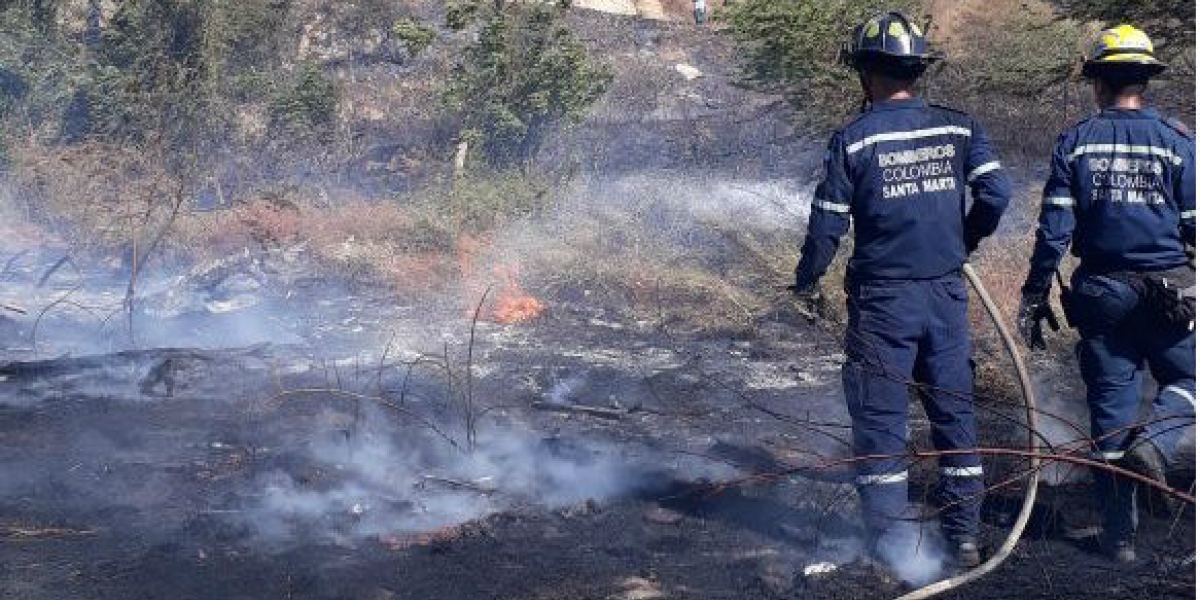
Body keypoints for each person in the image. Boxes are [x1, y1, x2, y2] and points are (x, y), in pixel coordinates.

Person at [792, 11, 1011, 568]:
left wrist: (807, 281)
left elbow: (826, 227)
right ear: (918, 70)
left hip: (883, 305)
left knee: (882, 422)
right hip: (945, 299)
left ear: (866, 73)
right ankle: (963, 536)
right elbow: (997, 194)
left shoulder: (854, 140)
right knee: (954, 417)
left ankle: (890, 545)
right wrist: (964, 238)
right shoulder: (960, 129)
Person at [1017, 23, 1195, 564]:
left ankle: (1118, 539)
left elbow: (1053, 232)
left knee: (1110, 418)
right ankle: (1159, 442)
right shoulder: (1177, 141)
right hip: (1170, 292)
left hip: (1099, 292)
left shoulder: (1076, 142)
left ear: (1098, 82)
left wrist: (1034, 292)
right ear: (1145, 78)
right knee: (1190, 380)